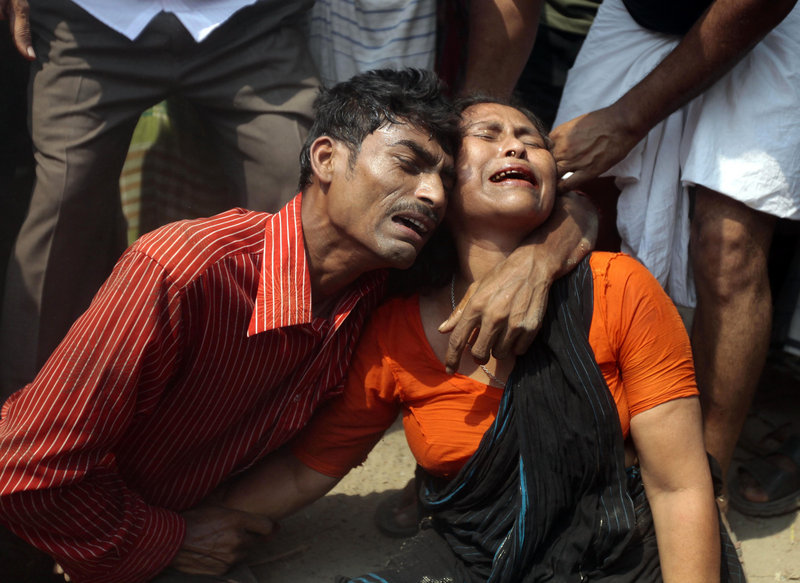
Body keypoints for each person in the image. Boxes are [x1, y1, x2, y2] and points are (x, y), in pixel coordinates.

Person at [0, 71, 596, 583]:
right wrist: (167, 540)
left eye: (444, 177)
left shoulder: (384, 275)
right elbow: (22, 470)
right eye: (409, 164)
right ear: (326, 158)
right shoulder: (185, 269)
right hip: (69, 532)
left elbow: (568, 206)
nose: (433, 194)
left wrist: (536, 263)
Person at [215, 98, 743, 582]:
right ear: (440, 186)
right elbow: (307, 467)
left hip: (620, 553)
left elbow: (679, 488)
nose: (514, 145)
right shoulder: (394, 330)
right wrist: (192, 528)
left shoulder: (619, 287)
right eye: (486, 135)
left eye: (530, 140)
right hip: (472, 553)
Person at [550, 0, 800, 513]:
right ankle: (583, 448)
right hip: (645, 12)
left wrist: (626, 119)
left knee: (727, 248)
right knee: (569, 197)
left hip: (764, 14)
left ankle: (704, 494)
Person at [0, 0, 319, 398]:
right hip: (90, 24)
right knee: (64, 204)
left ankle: (285, 397)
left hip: (243, 22)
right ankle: (24, 414)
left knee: (300, 191)